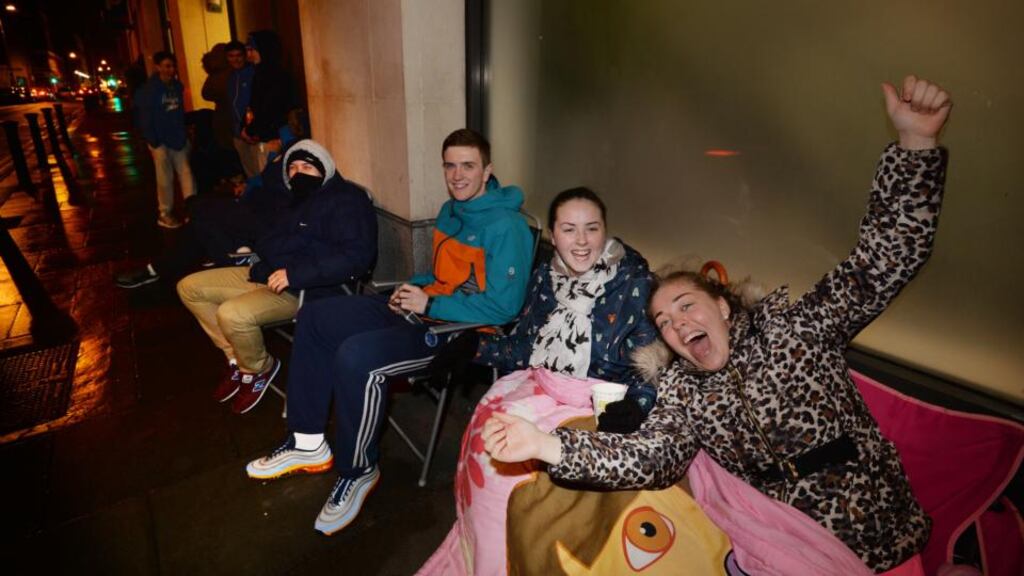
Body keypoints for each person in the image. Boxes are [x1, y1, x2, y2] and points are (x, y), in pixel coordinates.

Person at [481, 75, 952, 574]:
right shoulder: (683, 391)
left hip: (874, 524)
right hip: (778, 537)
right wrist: (545, 445)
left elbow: (883, 260)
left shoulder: (797, 330)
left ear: (723, 307)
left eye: (686, 305)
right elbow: (650, 456)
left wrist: (916, 145)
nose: (676, 323)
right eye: (663, 321)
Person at [244, 129, 534, 536]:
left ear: (487, 170)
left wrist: (430, 304)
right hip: (424, 309)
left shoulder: (507, 228)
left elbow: (505, 307)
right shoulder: (452, 211)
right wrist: (412, 288)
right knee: (318, 317)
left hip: (463, 333)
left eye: (467, 165)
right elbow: (439, 276)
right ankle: (307, 442)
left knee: (357, 356)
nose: (457, 175)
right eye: (449, 165)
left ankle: (359, 469)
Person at [417, 187, 660, 575]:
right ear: (552, 234)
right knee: (488, 441)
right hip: (541, 386)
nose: (581, 241)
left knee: (518, 487)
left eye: (591, 229)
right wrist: (472, 348)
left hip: (594, 404)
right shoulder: (546, 278)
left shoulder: (633, 282)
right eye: (569, 229)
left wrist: (637, 404)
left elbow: (651, 365)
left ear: (605, 231)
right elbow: (523, 347)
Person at [177, 139, 377, 414]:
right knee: (189, 287)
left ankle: (258, 368)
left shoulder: (345, 201)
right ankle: (237, 359)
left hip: (309, 291)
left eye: (308, 166)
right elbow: (268, 239)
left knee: (232, 314)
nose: (299, 173)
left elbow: (356, 258)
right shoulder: (291, 200)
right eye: (293, 167)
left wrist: (295, 273)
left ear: (325, 169)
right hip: (269, 275)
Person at [113, 125, 299, 289]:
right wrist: (248, 186)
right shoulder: (281, 157)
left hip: (268, 216)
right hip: (253, 206)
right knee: (201, 221)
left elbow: (288, 198)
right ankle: (233, 250)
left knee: (201, 212)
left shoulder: (297, 155)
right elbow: (263, 180)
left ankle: (236, 254)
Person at [138, 51, 196, 229]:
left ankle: (193, 209)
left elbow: (179, 113)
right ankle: (165, 212)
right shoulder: (149, 90)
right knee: (165, 178)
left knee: (186, 173)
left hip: (177, 138)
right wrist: (153, 140)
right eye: (166, 66)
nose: (170, 70)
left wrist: (184, 134)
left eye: (172, 66)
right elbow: (145, 116)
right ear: (158, 67)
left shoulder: (177, 86)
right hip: (160, 141)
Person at [240, 30, 295, 175]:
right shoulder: (259, 73)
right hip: (265, 136)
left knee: (271, 180)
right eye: (247, 50)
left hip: (274, 139)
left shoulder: (274, 76)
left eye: (252, 50)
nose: (249, 55)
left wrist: (251, 129)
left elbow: (270, 108)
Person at [225, 40, 258, 178]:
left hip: (253, 131)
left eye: (238, 55)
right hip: (238, 133)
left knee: (261, 170)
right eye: (231, 56)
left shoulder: (253, 73)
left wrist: (252, 128)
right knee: (250, 172)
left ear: (245, 56)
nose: (235, 59)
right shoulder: (231, 77)